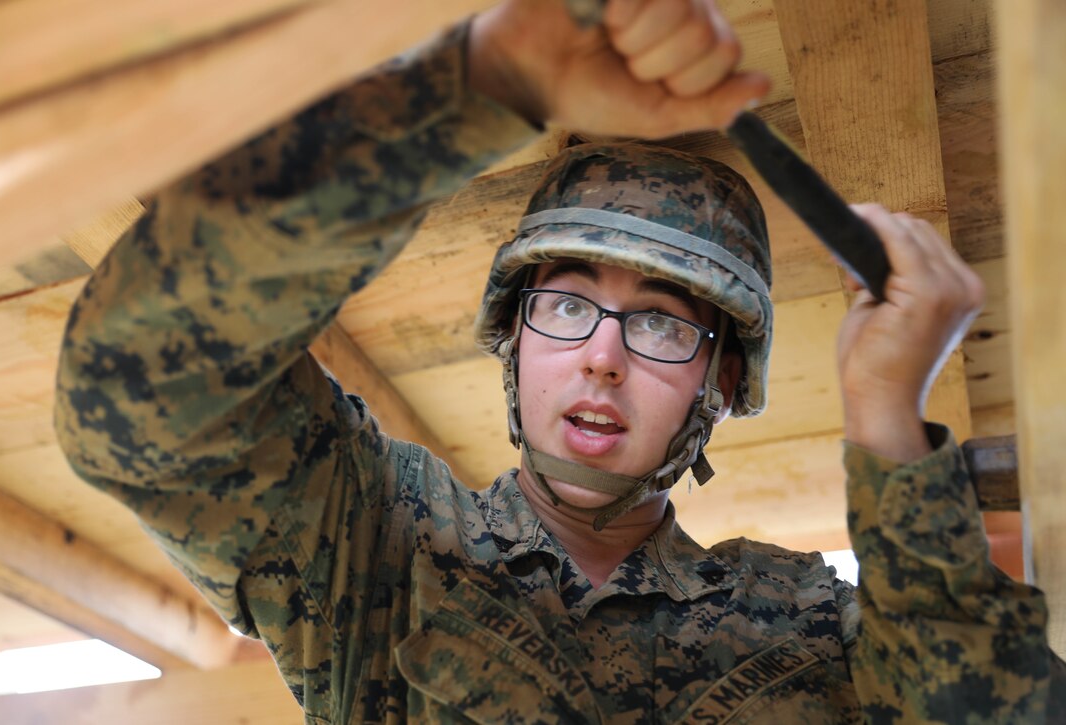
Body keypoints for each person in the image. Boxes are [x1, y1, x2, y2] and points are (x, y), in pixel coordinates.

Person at [54, 0, 1064, 721]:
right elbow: (133, 392)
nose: (602, 359)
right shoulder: (380, 546)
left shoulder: (804, 622)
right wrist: (484, 82)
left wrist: (888, 425)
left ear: (717, 382)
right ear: (514, 334)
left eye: (662, 323)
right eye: (566, 307)